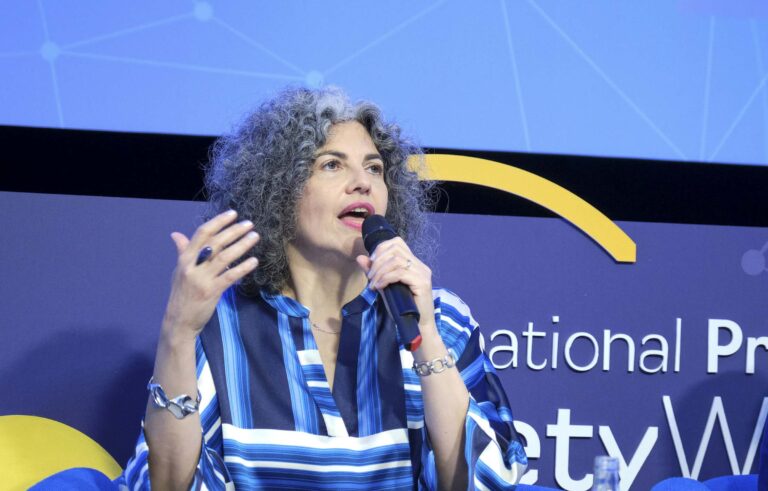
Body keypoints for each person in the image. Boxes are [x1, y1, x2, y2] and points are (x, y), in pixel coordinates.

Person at [117, 87, 527, 490]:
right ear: (278, 189)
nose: (362, 183)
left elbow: (486, 482)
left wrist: (425, 338)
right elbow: (166, 485)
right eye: (332, 165)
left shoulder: (439, 317)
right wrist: (178, 333)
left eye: (374, 169)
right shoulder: (219, 323)